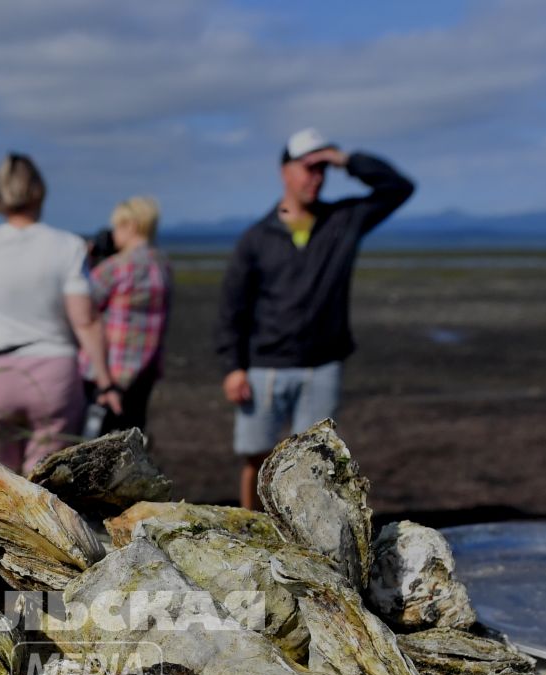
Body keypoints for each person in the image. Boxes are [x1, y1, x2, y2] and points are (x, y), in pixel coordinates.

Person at [216, 129, 414, 508]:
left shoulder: (344, 221)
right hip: (265, 365)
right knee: (256, 456)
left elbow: (398, 189)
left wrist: (347, 160)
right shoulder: (256, 238)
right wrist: (232, 367)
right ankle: (249, 531)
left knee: (315, 463)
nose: (316, 177)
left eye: (323, 169)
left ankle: (305, 542)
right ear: (285, 172)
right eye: (308, 167)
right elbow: (232, 307)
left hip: (322, 365)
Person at [0, 154, 123, 474]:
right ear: (40, 191)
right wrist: (106, 383)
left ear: (0, 195)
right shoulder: (68, 246)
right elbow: (85, 320)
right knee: (47, 485)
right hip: (54, 375)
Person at [84, 195, 171, 435]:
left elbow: (82, 308)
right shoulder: (162, 265)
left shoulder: (117, 267)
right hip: (144, 374)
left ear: (130, 225)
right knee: (129, 440)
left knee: (94, 447)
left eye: (117, 226)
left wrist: (86, 260)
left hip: (108, 374)